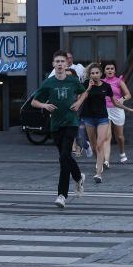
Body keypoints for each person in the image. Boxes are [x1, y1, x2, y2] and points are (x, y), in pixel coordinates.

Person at [31, 50, 87, 209]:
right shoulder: (48, 83)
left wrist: (78, 103)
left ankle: (62, 195)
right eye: (58, 61)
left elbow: (84, 93)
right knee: (65, 157)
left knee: (64, 157)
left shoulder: (72, 81)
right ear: (53, 64)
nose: (60, 64)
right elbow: (34, 101)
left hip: (71, 122)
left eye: (63, 61)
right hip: (55, 125)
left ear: (66, 64)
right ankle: (78, 177)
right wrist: (44, 105)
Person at [49, 51, 90, 157]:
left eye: (69, 58)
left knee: (77, 129)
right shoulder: (57, 72)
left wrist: (79, 102)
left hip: (76, 105)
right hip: (63, 108)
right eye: (65, 58)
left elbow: (83, 91)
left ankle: (83, 145)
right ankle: (74, 148)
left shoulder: (78, 69)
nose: (68, 60)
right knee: (69, 130)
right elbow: (49, 85)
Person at [103, 61, 133, 164]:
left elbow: (128, 94)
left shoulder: (119, 81)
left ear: (115, 70)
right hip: (105, 110)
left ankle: (122, 153)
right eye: (107, 68)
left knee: (119, 136)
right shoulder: (101, 81)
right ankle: (106, 160)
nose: (110, 70)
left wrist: (122, 99)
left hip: (117, 109)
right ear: (104, 71)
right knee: (106, 136)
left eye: (112, 68)